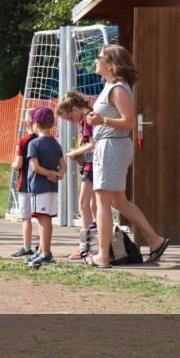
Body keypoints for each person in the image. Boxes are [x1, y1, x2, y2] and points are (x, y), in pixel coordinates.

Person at [86, 44, 170, 267]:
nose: (96, 61)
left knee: (103, 202)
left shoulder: (118, 88)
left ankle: (103, 256)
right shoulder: (111, 86)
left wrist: (102, 121)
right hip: (111, 146)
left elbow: (130, 122)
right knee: (118, 201)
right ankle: (155, 240)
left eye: (99, 57)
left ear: (111, 64)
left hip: (112, 147)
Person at [56, 90, 98, 260]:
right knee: (94, 205)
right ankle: (97, 245)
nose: (71, 121)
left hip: (92, 166)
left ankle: (86, 247)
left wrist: (75, 153)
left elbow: (93, 144)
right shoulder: (86, 118)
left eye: (70, 118)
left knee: (83, 204)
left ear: (75, 108)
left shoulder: (87, 119)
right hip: (92, 164)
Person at [24, 106, 64, 267]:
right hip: (52, 188)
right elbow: (63, 165)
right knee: (46, 219)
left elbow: (35, 167)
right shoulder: (55, 143)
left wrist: (49, 173)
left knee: (43, 220)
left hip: (39, 187)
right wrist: (58, 174)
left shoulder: (34, 143)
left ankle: (46, 253)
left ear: (35, 123)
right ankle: (41, 250)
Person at [10, 109, 38, 258]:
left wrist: (13, 164)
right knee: (43, 217)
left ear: (27, 123)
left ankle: (27, 247)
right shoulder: (43, 140)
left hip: (26, 184)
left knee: (26, 217)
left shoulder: (22, 141)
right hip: (41, 184)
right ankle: (43, 247)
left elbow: (18, 164)